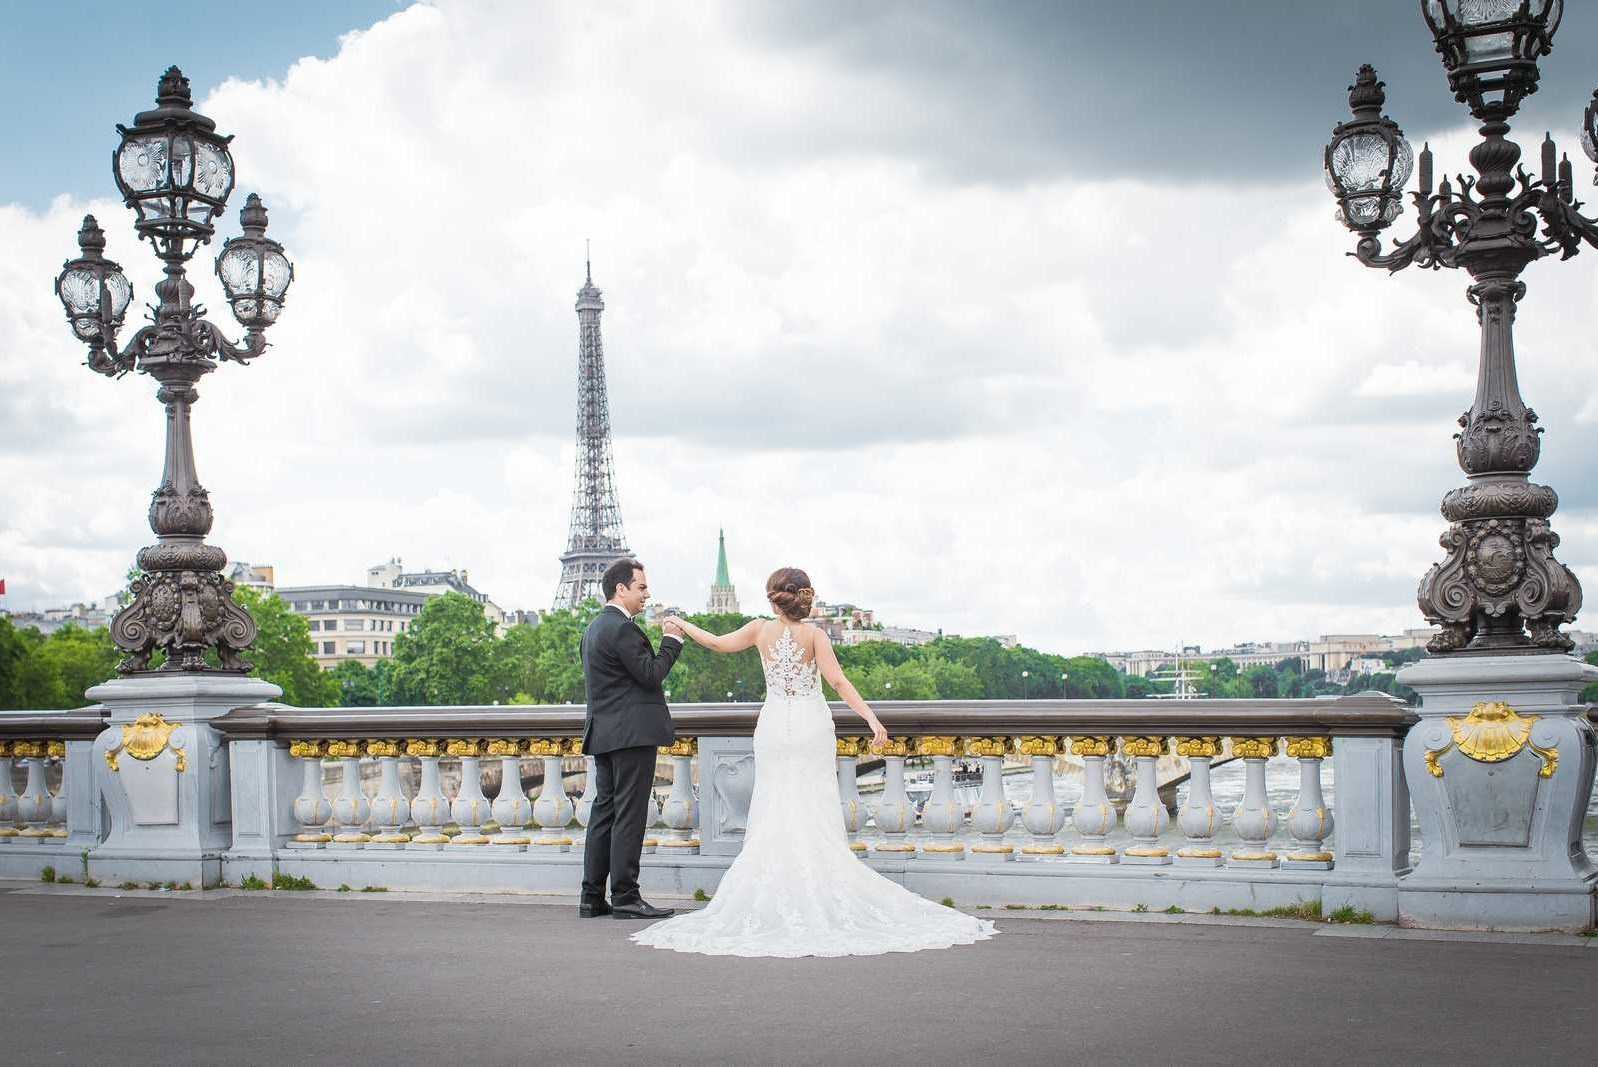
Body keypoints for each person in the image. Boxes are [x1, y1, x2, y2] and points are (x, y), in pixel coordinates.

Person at [630, 566, 997, 957]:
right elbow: (838, 682)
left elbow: (717, 643)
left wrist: (681, 623)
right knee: (813, 805)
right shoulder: (815, 635)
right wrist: (872, 719)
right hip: (810, 724)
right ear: (803, 598)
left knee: (774, 803)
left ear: (773, 599)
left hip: (774, 725)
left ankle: (775, 886)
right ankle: (819, 882)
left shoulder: (758, 630)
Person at [579, 557, 686, 920]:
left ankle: (591, 896)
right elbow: (651, 674)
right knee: (629, 815)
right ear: (621, 588)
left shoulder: (593, 629)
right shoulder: (623, 629)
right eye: (641, 587)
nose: (647, 594)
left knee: (604, 814)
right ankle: (626, 896)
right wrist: (672, 641)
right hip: (632, 735)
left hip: (604, 732)